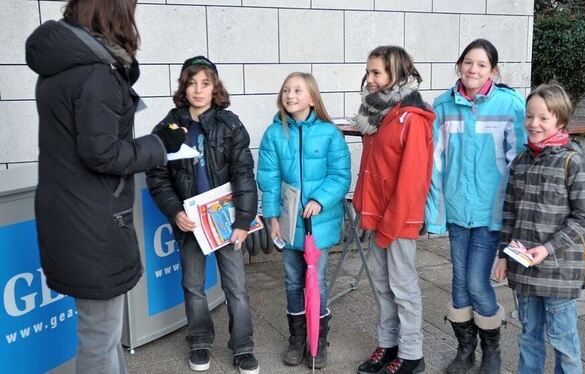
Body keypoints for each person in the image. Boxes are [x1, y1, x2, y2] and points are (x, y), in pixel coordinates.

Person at [25, 0, 186, 373]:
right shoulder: (95, 74)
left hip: (71, 216)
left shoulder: (60, 69)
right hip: (92, 223)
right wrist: (160, 144)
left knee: (103, 333)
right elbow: (102, 154)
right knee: (100, 337)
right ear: (113, 14)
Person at [145, 56, 259, 374]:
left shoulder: (230, 124)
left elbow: (244, 175)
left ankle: (243, 347)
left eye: (205, 83)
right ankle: (198, 341)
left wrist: (243, 222)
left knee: (236, 287)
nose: (198, 90)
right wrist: (174, 211)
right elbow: (157, 177)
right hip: (191, 222)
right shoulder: (168, 127)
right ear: (184, 87)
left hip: (225, 221)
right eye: (191, 83)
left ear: (214, 88)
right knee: (192, 284)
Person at [424, 38, 527, 374]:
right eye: (468, 62)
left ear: (493, 71)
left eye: (481, 64)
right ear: (459, 65)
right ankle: (465, 350)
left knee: (476, 282)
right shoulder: (442, 106)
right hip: (457, 211)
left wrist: (514, 218)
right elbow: (434, 165)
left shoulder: (509, 104)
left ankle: (492, 350)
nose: (473, 69)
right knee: (458, 281)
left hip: (490, 214)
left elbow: (520, 163)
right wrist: (434, 214)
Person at [493, 83, 585, 373]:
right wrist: (503, 255)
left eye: (543, 118)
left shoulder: (573, 162)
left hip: (560, 273)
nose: (533, 124)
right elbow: (510, 212)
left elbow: (584, 218)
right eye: (529, 116)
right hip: (524, 267)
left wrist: (548, 248)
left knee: (563, 340)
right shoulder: (521, 161)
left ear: (560, 121)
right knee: (529, 336)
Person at [257, 72, 351, 369]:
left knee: (316, 281)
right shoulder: (274, 134)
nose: (290, 95)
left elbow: (340, 176)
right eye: (286, 90)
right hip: (288, 223)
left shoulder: (329, 133)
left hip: (317, 225)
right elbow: (269, 181)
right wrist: (271, 217)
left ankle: (318, 339)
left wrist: (319, 199)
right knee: (292, 280)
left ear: (312, 97)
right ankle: (297, 338)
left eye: (297, 90)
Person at [352, 46, 435, 374]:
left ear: (396, 75)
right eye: (368, 71)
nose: (369, 79)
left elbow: (413, 179)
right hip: (377, 213)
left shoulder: (411, 118)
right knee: (383, 284)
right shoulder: (377, 111)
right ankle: (389, 344)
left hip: (398, 218)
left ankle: (412, 354)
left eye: (377, 73)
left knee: (403, 286)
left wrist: (392, 221)